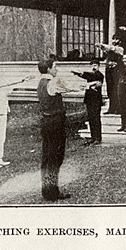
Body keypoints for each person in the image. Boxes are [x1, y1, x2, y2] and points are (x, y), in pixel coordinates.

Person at [37, 59, 83, 202]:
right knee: (55, 157)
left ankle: (48, 191)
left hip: (46, 121)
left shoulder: (41, 82)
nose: (57, 69)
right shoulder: (53, 82)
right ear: (49, 69)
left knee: (47, 157)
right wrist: (89, 85)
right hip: (55, 122)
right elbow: (70, 88)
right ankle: (52, 192)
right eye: (55, 67)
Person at [0, 65, 34, 169]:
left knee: (1, 137)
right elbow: (6, 83)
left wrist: (22, 82)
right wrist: (21, 80)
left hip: (2, 112)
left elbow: (7, 89)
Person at [71, 59, 104, 145]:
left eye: (95, 65)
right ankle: (93, 137)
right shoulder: (90, 75)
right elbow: (87, 76)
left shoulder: (100, 75)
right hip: (89, 99)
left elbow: (96, 82)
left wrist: (83, 76)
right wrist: (78, 73)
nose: (94, 67)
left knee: (96, 119)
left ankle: (98, 138)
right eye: (92, 65)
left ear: (99, 66)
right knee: (91, 118)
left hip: (96, 100)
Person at [97, 37, 124, 115]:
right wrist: (101, 47)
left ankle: (118, 109)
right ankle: (111, 108)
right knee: (110, 89)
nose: (114, 41)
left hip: (116, 71)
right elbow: (107, 49)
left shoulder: (120, 49)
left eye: (116, 39)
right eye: (113, 39)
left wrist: (102, 45)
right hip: (109, 70)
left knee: (116, 89)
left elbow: (113, 48)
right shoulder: (110, 49)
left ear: (120, 41)